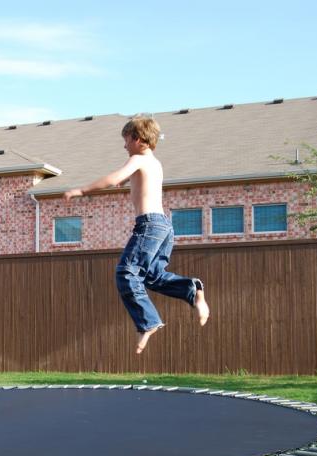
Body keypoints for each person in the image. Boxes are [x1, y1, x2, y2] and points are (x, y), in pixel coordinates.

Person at [64, 115, 210, 354]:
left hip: (149, 226)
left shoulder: (137, 159)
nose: (124, 146)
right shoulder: (154, 163)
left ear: (139, 140)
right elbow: (142, 183)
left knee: (126, 273)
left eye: (126, 140)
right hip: (164, 227)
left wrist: (82, 189)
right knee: (152, 277)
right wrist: (130, 179)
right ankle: (193, 291)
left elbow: (113, 178)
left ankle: (148, 322)